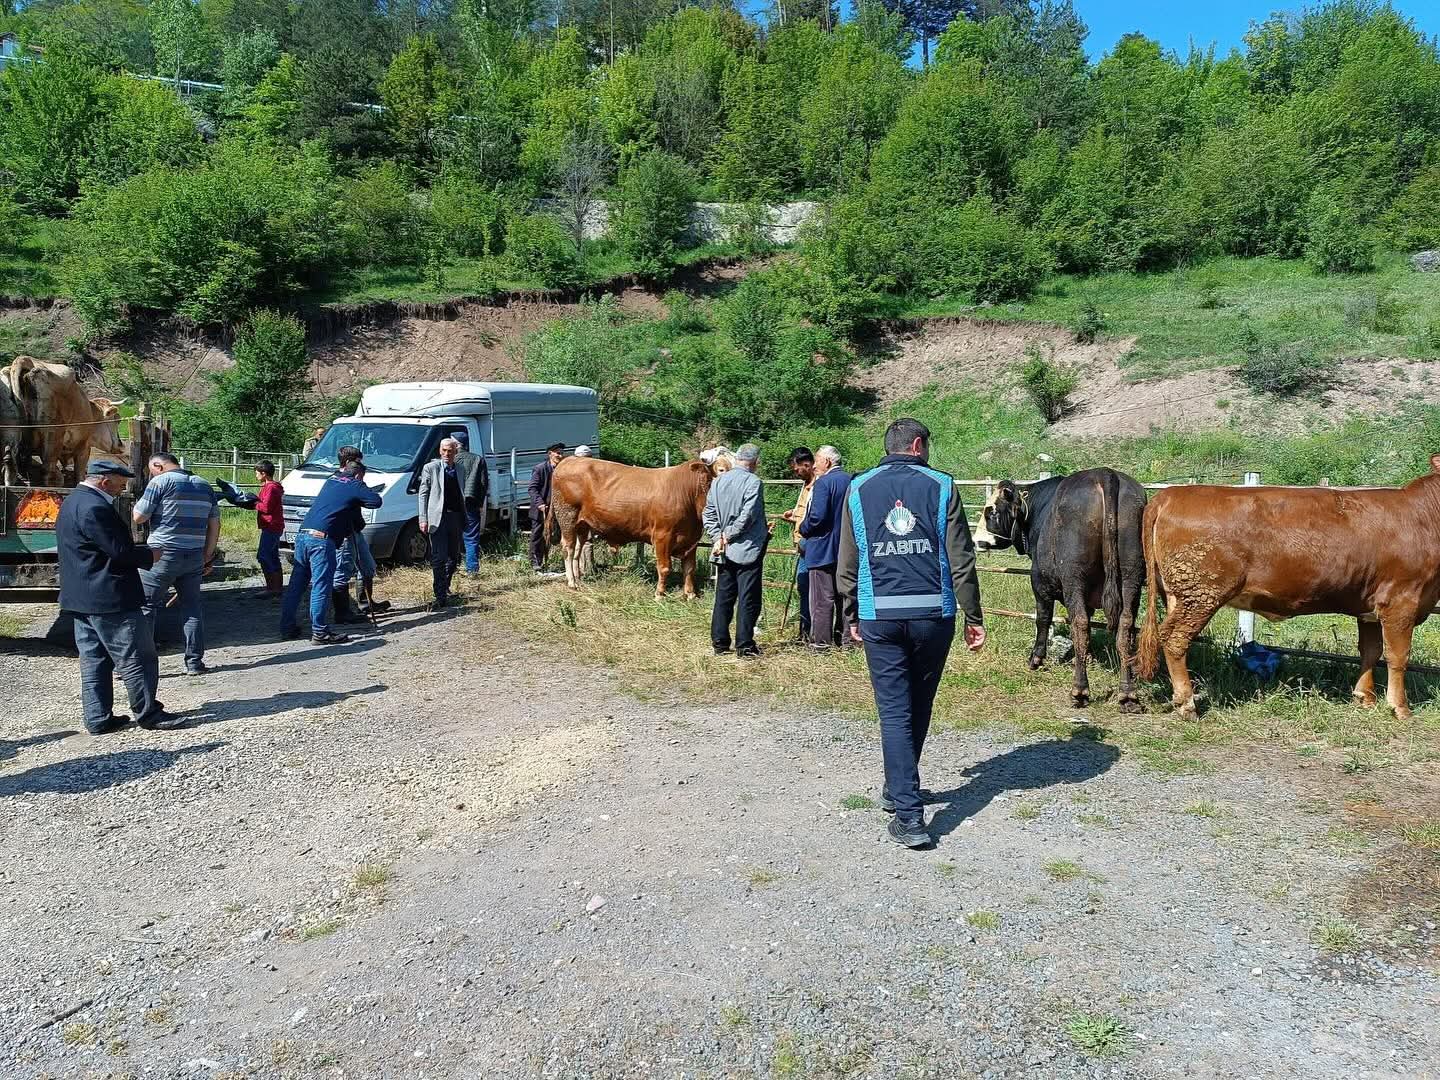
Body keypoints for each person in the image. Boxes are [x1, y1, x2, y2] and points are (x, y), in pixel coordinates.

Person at [837, 418, 985, 849]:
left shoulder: (859, 487)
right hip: (932, 615)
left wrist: (851, 614)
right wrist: (973, 615)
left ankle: (906, 808)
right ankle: (903, 795)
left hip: (879, 614)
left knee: (894, 711)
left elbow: (849, 559)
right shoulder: (941, 486)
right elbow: (961, 556)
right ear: (918, 445)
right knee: (918, 703)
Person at [58, 461, 182, 733]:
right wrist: (151, 555)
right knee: (136, 656)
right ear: (105, 480)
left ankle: (98, 717)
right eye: (120, 480)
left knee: (94, 660)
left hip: (81, 597)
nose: (124, 485)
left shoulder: (72, 502)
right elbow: (120, 553)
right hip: (109, 597)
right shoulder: (95, 508)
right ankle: (149, 714)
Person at [281, 446, 383, 644]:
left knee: (297, 586)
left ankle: (286, 627)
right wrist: (362, 488)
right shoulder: (356, 484)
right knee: (321, 586)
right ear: (359, 474)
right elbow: (375, 501)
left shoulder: (331, 480)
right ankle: (320, 632)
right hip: (322, 540)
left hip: (303, 535)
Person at [133, 452, 219, 677]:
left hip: (162, 554)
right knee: (191, 608)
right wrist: (207, 556)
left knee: (146, 606)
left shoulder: (161, 481)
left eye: (152, 470)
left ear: (158, 465)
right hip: (193, 556)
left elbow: (139, 517)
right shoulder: (203, 484)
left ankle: (141, 664)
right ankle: (194, 663)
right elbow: (214, 523)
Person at [703, 443, 769, 658]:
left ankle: (720, 643)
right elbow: (747, 516)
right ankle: (745, 645)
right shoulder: (753, 482)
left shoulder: (719, 481)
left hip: (723, 550)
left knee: (724, 595)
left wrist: (717, 538)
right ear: (755, 462)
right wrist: (727, 536)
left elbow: (709, 513)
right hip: (747, 549)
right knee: (748, 598)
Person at [799, 445, 853, 650]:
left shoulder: (823, 483)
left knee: (822, 599)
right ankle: (847, 640)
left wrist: (803, 527)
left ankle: (821, 643)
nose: (813, 466)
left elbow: (817, 517)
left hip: (822, 548)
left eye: (817, 461)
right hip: (846, 548)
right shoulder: (851, 481)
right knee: (846, 596)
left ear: (827, 462)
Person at [331, 453, 389, 622]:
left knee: (368, 567)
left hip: (356, 529)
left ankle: (365, 603)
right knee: (342, 572)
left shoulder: (351, 481)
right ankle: (342, 614)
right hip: (345, 532)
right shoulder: (337, 480)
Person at [217, 460, 284, 597]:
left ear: (263, 473)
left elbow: (266, 507)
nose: (256, 475)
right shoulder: (269, 487)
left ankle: (272, 588)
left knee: (264, 556)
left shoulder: (271, 488)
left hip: (271, 525)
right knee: (271, 556)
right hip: (271, 525)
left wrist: (252, 503)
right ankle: (276, 588)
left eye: (257, 473)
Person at [418, 437, 466, 609]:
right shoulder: (431, 468)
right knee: (439, 557)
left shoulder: (460, 469)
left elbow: (461, 493)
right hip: (437, 518)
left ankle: (445, 585)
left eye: (450, 451)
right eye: (444, 450)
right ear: (440, 451)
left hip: (455, 517)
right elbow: (423, 493)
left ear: (456, 452)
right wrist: (423, 518)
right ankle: (439, 595)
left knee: (454, 557)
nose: (447, 454)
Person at [780, 447, 816, 640]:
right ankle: (804, 631)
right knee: (804, 588)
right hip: (802, 546)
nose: (796, 473)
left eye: (797, 469)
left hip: (811, 545)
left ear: (807, 465)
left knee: (811, 589)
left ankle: (809, 632)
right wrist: (794, 516)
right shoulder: (806, 484)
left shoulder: (819, 485)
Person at [451, 429, 490, 576]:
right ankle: (472, 569)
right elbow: (483, 483)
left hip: (453, 503)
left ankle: (453, 567)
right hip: (471, 501)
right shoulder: (478, 459)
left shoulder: (451, 459)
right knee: (471, 536)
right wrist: (480, 503)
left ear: (456, 444)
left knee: (453, 536)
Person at [527, 442, 564, 572]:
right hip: (541, 509)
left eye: (561, 453)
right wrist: (540, 503)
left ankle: (547, 560)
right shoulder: (540, 468)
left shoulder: (562, 469)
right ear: (550, 454)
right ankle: (535, 562)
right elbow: (532, 488)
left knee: (551, 535)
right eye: (558, 453)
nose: (560, 455)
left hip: (556, 509)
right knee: (537, 535)